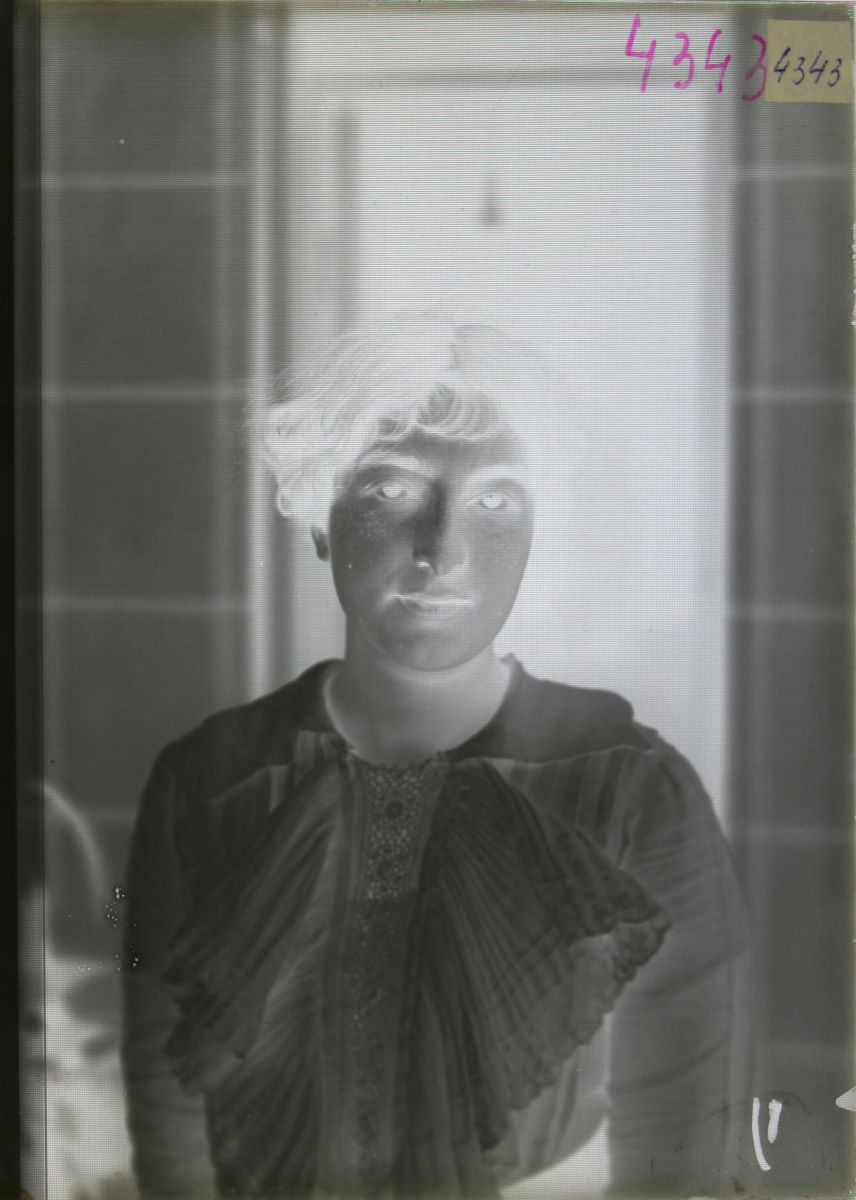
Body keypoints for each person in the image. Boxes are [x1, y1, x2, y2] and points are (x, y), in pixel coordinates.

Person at [121, 310, 755, 1199]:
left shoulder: (637, 791)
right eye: (390, 489)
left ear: (537, 530)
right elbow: (167, 1122)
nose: (441, 550)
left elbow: (677, 1158)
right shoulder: (203, 777)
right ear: (319, 513)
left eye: (496, 500)